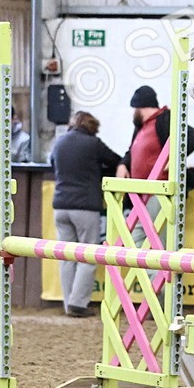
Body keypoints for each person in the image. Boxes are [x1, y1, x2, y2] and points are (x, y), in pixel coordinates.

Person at [49, 111, 121, 317]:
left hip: (60, 206)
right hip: (85, 207)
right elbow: (115, 160)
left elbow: (53, 164)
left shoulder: (60, 143)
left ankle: (67, 303)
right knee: (88, 256)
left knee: (66, 257)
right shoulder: (93, 144)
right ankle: (78, 304)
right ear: (92, 127)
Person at [116, 85, 194, 245]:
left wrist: (174, 159)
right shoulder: (142, 127)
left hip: (158, 193)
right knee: (134, 241)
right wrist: (122, 165)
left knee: (158, 243)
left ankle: (158, 271)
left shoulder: (165, 119)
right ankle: (149, 271)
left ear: (139, 108)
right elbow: (131, 152)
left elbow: (193, 137)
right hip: (141, 195)